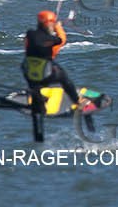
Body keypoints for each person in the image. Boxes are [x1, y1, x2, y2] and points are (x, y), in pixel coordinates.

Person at [22, 9, 84, 143]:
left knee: (33, 80)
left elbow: (32, 42)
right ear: (49, 23)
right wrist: (58, 27)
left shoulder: (30, 33)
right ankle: (77, 101)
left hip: (29, 73)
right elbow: (61, 40)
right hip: (46, 73)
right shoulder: (50, 39)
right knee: (64, 78)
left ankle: (38, 98)